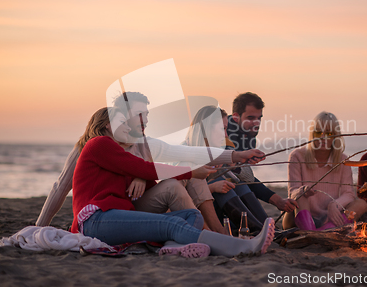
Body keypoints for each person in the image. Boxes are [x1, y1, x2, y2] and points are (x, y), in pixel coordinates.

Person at [36, 92, 264, 227]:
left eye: (146, 115)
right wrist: (40, 227)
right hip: (106, 214)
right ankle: (215, 235)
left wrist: (235, 155)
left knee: (189, 171)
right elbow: (60, 188)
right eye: (138, 115)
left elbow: (184, 153)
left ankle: (215, 235)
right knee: (189, 174)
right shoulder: (90, 147)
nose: (144, 120)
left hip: (139, 205)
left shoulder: (143, 143)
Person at [72, 107, 275, 258]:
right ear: (108, 124)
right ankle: (241, 247)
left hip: (116, 215)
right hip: (95, 219)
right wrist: (192, 172)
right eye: (123, 122)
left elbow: (144, 170)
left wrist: (236, 155)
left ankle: (174, 247)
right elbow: (144, 168)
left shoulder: (120, 149)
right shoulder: (99, 143)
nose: (129, 127)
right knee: (172, 223)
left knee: (191, 215)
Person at [179, 105, 270, 233]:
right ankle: (259, 230)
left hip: (222, 214)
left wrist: (234, 166)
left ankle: (268, 228)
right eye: (223, 129)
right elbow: (178, 195)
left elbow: (248, 178)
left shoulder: (222, 149)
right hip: (197, 215)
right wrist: (212, 187)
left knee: (237, 184)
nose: (226, 135)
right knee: (222, 187)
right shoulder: (184, 153)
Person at [284, 112, 367, 230]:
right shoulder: (297, 156)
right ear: (312, 134)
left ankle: (325, 231)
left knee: (361, 204)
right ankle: (310, 232)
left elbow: (348, 194)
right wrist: (304, 190)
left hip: (329, 217)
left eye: (329, 133)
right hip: (299, 216)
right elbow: (292, 192)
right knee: (300, 195)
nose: (323, 137)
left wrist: (334, 205)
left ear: (335, 136)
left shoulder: (342, 160)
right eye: (318, 132)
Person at [226, 92, 298, 216]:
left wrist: (278, 201)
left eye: (259, 118)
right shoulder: (225, 132)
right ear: (236, 117)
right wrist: (277, 200)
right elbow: (244, 177)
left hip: (231, 188)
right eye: (250, 118)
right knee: (240, 184)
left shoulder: (248, 136)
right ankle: (265, 227)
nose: (256, 123)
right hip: (211, 188)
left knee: (241, 183)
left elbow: (244, 177)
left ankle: (265, 227)